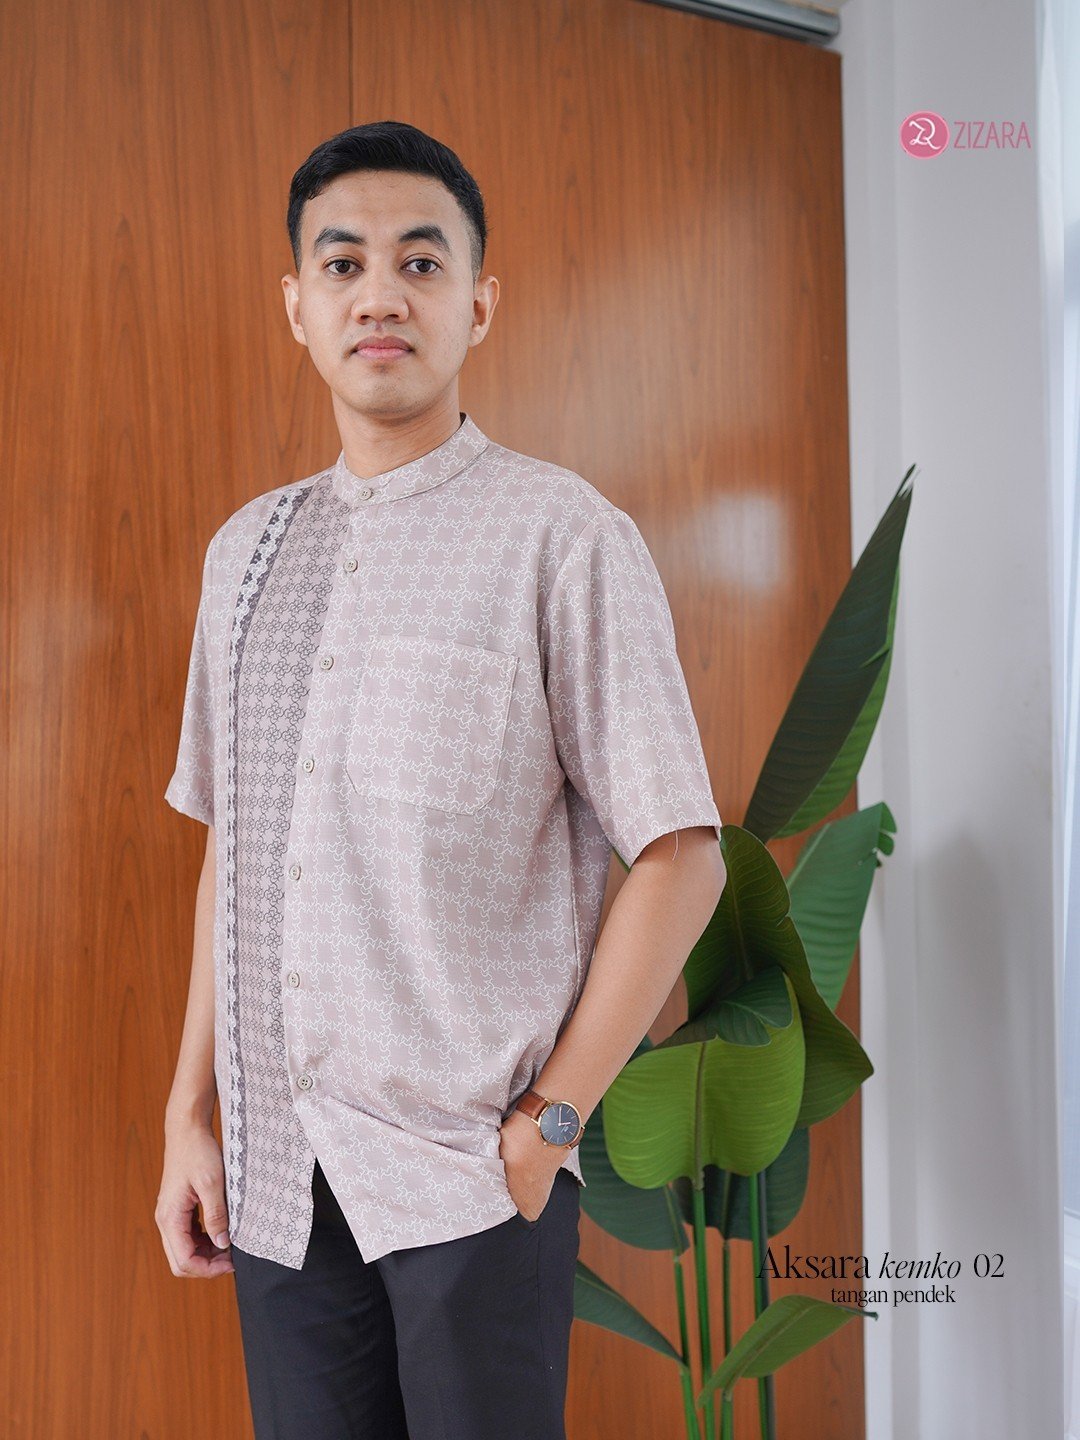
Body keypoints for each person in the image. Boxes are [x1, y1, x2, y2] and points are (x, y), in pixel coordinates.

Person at [156, 119, 727, 1440]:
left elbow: (681, 855)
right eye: (342, 264)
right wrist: (190, 1114)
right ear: (297, 306)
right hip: (280, 1179)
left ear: (478, 303)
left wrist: (548, 1128)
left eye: (420, 263)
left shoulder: (561, 535)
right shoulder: (245, 554)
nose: (380, 295)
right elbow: (236, 850)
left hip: (470, 1181)